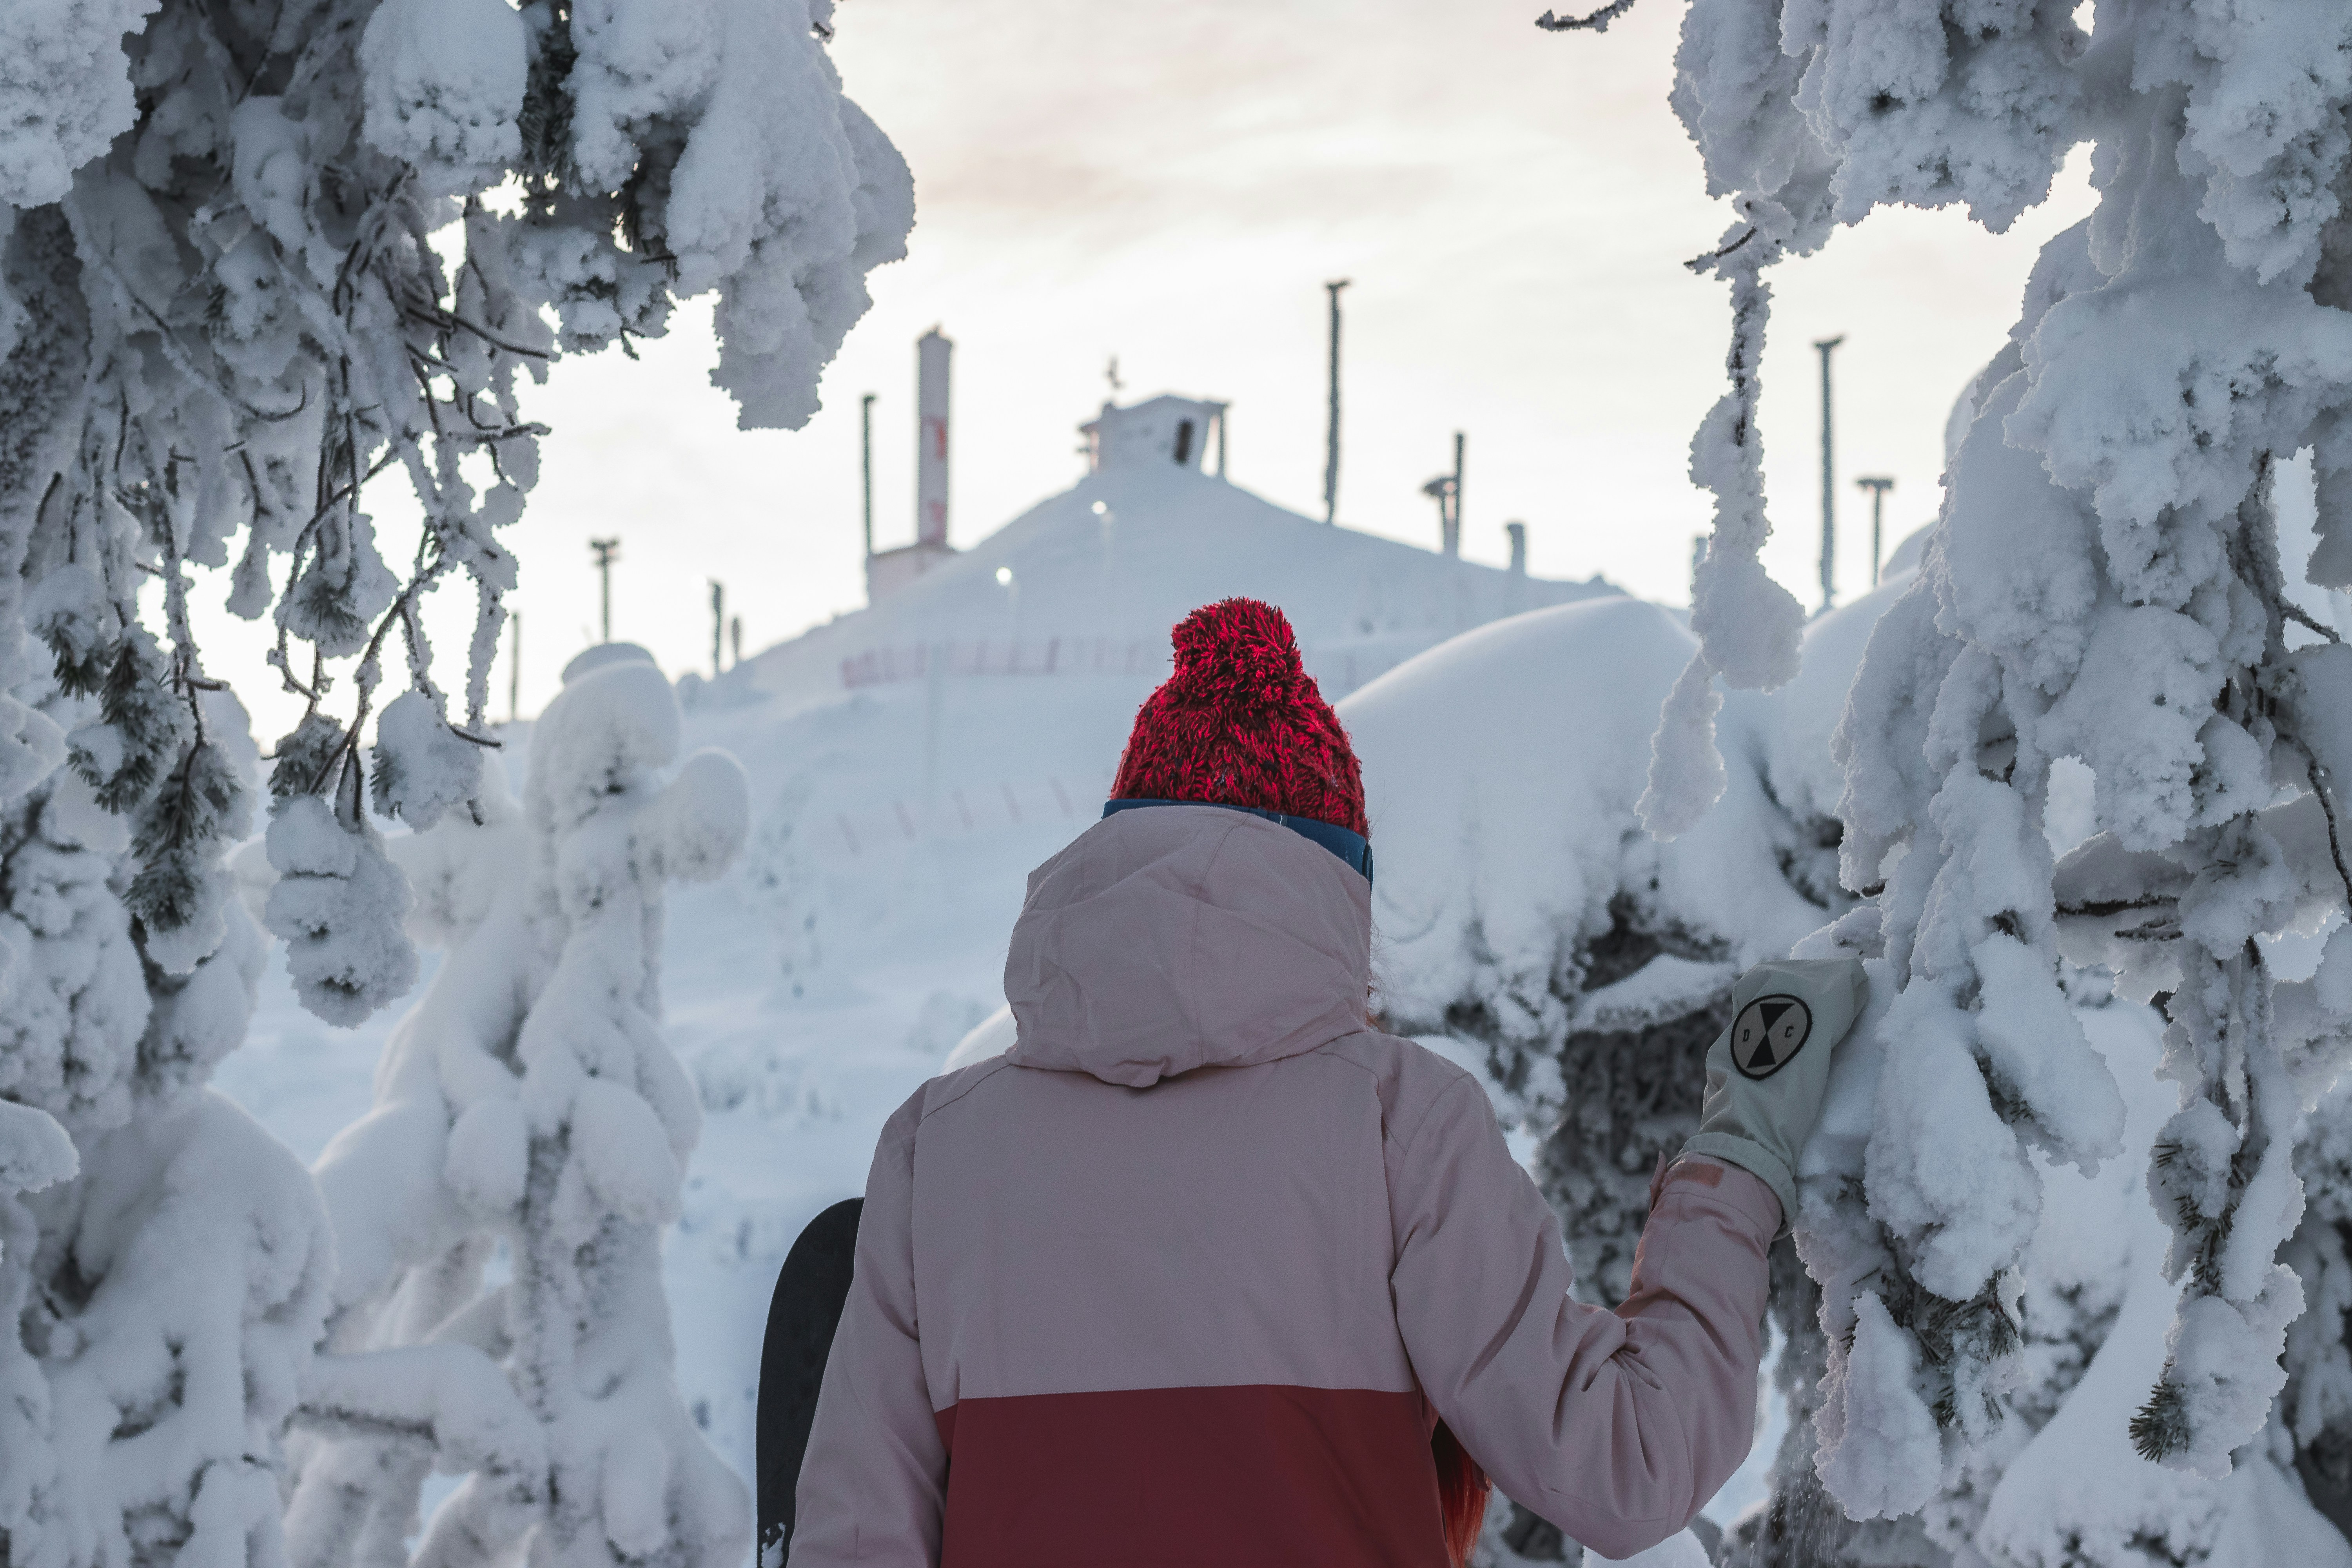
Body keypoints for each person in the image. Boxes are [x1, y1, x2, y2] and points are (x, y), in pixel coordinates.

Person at [785, 597, 1866, 1568]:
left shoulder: (941, 1149)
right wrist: (1739, 1154)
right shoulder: (1402, 1126)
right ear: (1337, 885)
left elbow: (856, 1543)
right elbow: (1626, 1470)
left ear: (1109, 861)